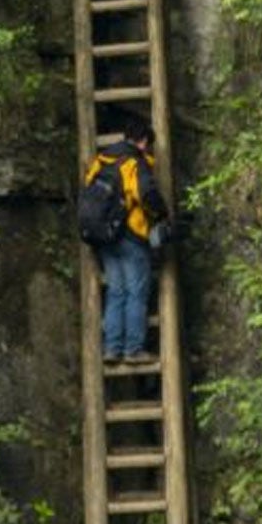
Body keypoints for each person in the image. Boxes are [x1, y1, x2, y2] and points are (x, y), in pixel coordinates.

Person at [84, 110, 169, 361]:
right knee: (136, 293)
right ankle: (133, 350)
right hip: (130, 235)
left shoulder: (101, 160)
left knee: (116, 292)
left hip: (104, 237)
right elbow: (147, 195)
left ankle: (112, 349)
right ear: (142, 141)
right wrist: (162, 216)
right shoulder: (134, 163)